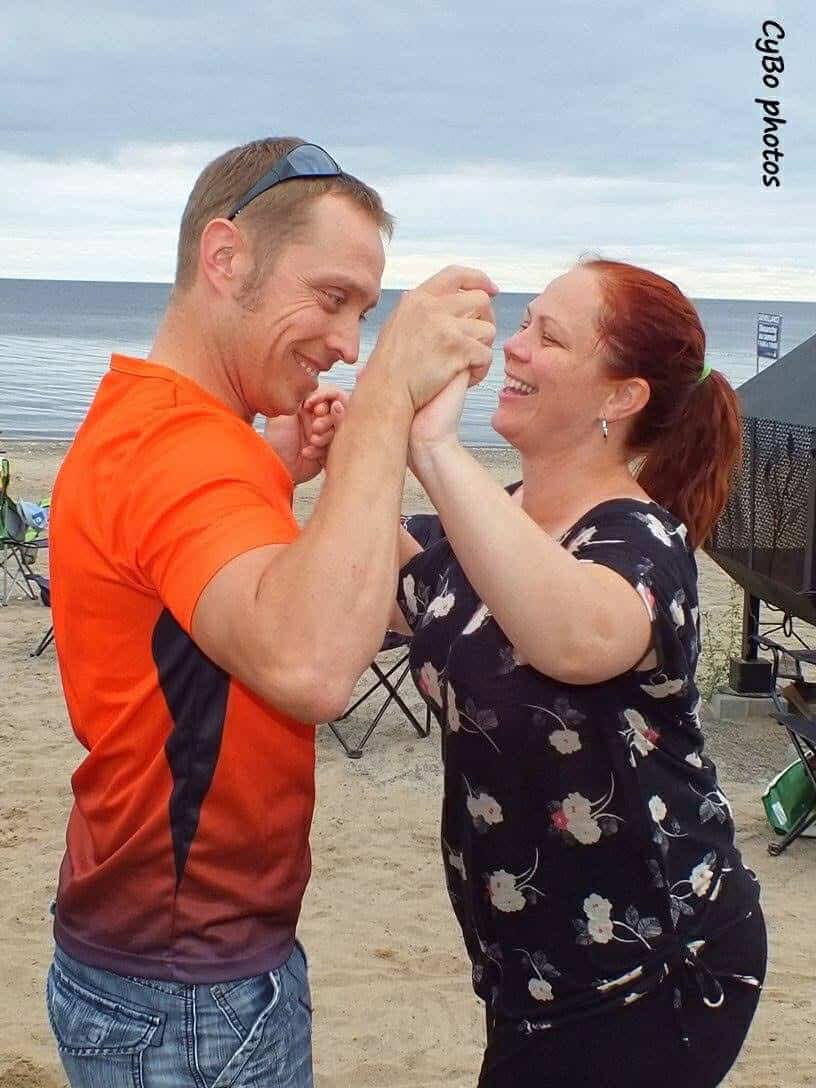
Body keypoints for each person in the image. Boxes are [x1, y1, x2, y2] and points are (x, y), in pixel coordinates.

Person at [45, 136, 496, 1087]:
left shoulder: (167, 423)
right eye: (331, 297)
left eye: (366, 316)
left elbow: (200, 596)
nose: (347, 343)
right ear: (226, 258)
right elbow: (311, 668)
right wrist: (384, 406)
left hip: (152, 956)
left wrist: (276, 470)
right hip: (184, 987)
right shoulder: (180, 449)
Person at [394, 259, 766, 1087]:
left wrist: (431, 444)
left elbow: (573, 637)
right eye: (524, 322)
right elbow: (387, 585)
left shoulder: (643, 544)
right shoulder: (499, 515)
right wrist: (337, 449)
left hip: (650, 967)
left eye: (549, 336)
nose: (514, 346)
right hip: (532, 974)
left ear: (620, 396)